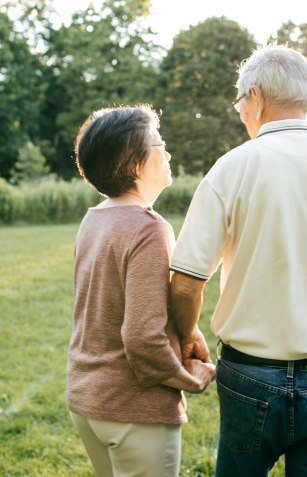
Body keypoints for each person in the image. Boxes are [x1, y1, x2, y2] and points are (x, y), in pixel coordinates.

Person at [168, 45, 307, 476]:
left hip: (248, 375)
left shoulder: (230, 168)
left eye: (240, 103)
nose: (241, 113)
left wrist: (185, 336)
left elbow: (185, 282)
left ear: (254, 97)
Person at [66, 105, 216, 477]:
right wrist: (187, 380)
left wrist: (189, 331)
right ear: (133, 162)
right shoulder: (149, 227)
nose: (167, 153)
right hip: (133, 409)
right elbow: (142, 339)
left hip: (86, 400)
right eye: (158, 143)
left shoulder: (94, 218)